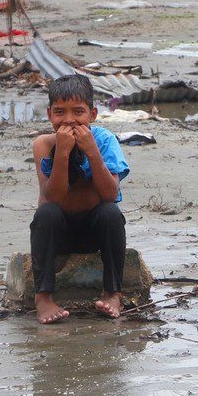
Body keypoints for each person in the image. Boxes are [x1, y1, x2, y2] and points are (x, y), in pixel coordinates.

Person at [30, 75, 130, 324]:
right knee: (46, 214)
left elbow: (109, 194)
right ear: (50, 114)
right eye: (60, 112)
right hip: (58, 232)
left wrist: (91, 150)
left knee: (111, 213)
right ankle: (43, 297)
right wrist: (63, 152)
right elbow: (51, 197)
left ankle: (113, 293)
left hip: (95, 232)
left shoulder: (105, 141)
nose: (69, 120)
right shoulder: (43, 144)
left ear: (92, 114)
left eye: (78, 112)